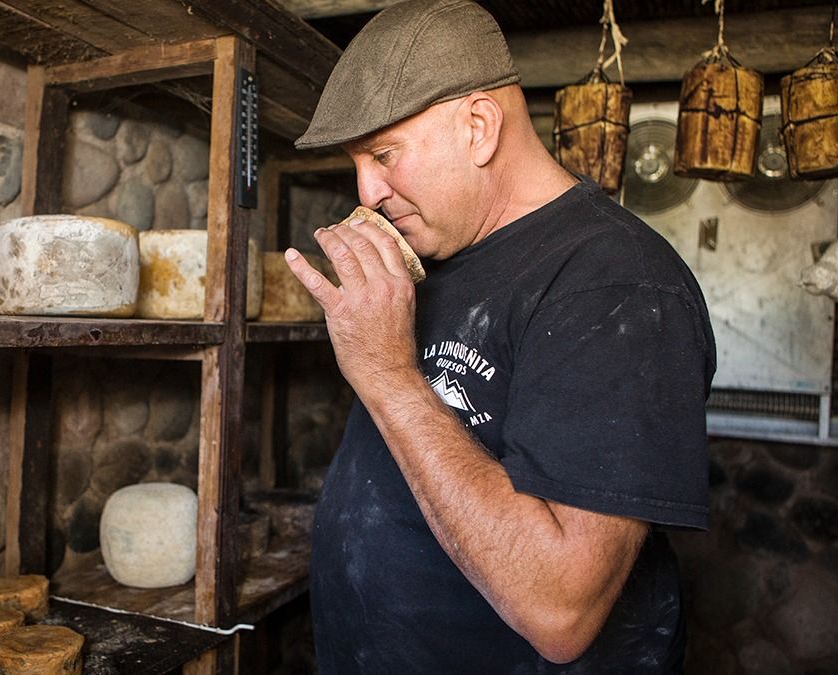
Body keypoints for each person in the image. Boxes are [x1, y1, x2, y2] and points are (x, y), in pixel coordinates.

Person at [282, 0, 716, 672]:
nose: (366, 191)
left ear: (480, 127)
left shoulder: (617, 283)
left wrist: (388, 375)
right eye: (356, 162)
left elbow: (560, 610)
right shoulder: (438, 254)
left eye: (384, 154)